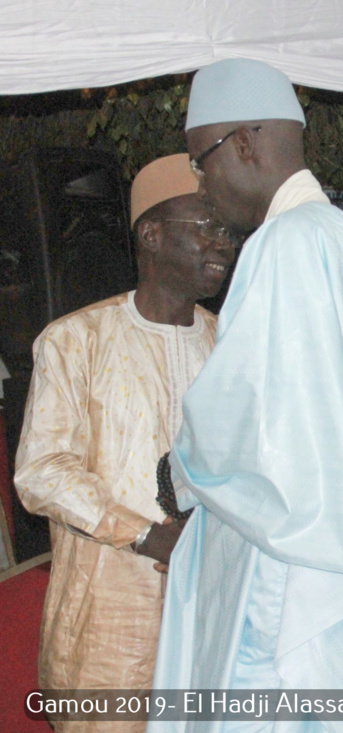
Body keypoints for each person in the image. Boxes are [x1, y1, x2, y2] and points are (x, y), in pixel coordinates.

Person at [149, 59, 343, 727]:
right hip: (342, 546)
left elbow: (255, 427)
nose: (201, 185)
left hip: (296, 578)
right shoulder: (341, 238)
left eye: (200, 162)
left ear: (244, 144)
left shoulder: (287, 245)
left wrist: (179, 470)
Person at [14, 154, 232, 732]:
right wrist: (144, 535)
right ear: (151, 234)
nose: (221, 242)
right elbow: (41, 471)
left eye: (225, 229)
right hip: (107, 623)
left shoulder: (232, 343)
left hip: (212, 616)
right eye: (204, 226)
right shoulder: (74, 341)